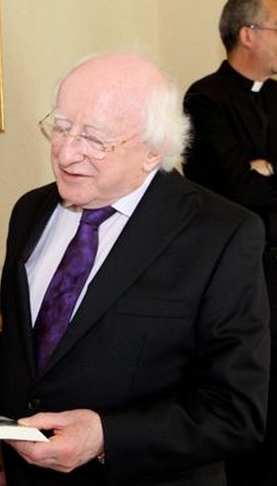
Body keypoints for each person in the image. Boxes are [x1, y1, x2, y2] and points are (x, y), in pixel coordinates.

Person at [0, 52, 271, 486]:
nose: (65, 152)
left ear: (152, 151)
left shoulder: (221, 235)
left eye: (94, 139)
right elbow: (17, 352)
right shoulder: (30, 211)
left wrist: (106, 436)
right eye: (60, 127)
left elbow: (235, 411)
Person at [182, 1, 277, 484]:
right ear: (248, 33)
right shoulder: (205, 99)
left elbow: (254, 182)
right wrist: (254, 172)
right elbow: (233, 190)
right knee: (244, 396)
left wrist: (263, 168)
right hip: (238, 277)